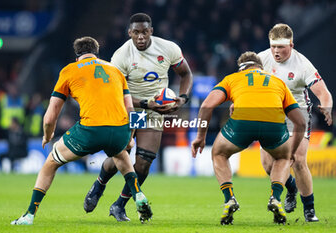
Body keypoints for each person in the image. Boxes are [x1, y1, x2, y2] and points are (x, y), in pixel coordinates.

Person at [11, 36, 152, 225]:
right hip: (120, 129)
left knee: (50, 163)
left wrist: (47, 135)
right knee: (122, 157)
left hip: (92, 129)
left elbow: (51, 114)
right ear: (97, 53)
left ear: (77, 55)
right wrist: (130, 137)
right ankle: (139, 195)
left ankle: (29, 215)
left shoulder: (69, 70)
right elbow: (132, 111)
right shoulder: (115, 70)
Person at [84, 13, 193, 221]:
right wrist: (144, 103)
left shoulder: (168, 48)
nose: (141, 37)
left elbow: (186, 74)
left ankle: (119, 205)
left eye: (144, 32)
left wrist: (183, 98)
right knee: (121, 156)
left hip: (155, 111)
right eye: (136, 32)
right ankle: (99, 184)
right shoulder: (121, 56)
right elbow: (115, 93)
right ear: (130, 33)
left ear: (151, 31)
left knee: (144, 162)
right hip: (129, 108)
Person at [192, 51, 306, 225]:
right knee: (282, 157)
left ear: (241, 68)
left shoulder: (232, 79)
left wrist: (200, 137)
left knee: (219, 153)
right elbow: (300, 123)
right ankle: (275, 198)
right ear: (260, 67)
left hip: (242, 124)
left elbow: (207, 105)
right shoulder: (278, 82)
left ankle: (229, 198)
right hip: (273, 125)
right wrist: (291, 151)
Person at [258, 23, 333, 222]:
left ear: (291, 44)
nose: (275, 51)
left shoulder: (303, 65)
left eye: (280, 47)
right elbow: (244, 82)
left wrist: (326, 106)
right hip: (270, 115)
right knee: (267, 165)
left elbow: (323, 93)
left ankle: (309, 210)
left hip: (296, 115)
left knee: (298, 160)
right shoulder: (260, 59)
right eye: (273, 46)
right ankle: (291, 188)